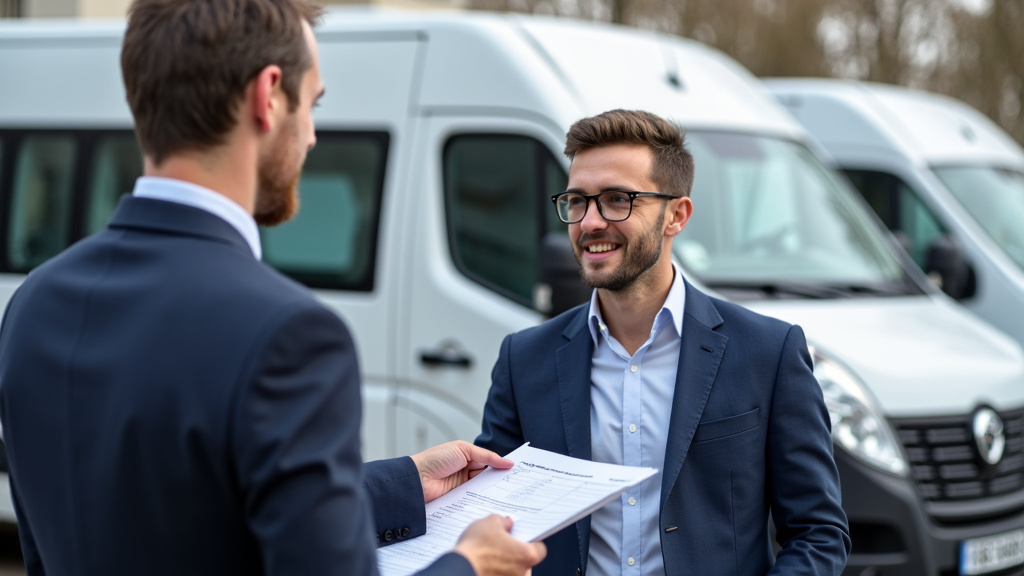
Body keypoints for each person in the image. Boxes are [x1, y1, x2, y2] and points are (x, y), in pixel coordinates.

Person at [0, 1, 545, 575]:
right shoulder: (289, 333)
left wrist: (404, 482)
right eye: (312, 104)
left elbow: (182, 513)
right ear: (268, 96)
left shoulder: (36, 302)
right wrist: (470, 564)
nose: (311, 136)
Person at [476, 109, 851, 575]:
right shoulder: (523, 359)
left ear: (677, 215)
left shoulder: (767, 352)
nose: (589, 222)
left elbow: (817, 532)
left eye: (617, 200)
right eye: (577, 201)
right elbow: (489, 521)